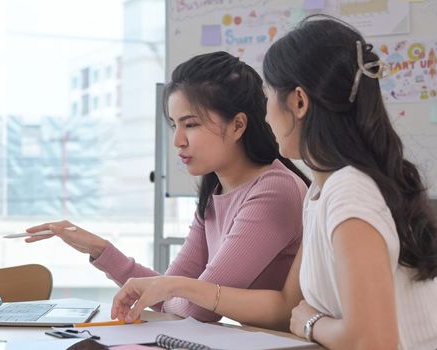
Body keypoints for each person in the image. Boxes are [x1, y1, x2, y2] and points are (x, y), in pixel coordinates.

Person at [111, 15, 437, 349]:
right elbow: (287, 305)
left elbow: (370, 341)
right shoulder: (320, 192)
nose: (264, 114)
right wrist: (175, 286)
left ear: (298, 102)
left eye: (269, 96)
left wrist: (312, 324)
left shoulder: (349, 192)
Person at [25, 51, 310, 322]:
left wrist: (174, 291)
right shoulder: (215, 193)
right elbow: (169, 293)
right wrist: (101, 249)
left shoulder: (274, 191)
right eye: (175, 125)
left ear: (237, 126)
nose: (178, 141)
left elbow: (195, 308)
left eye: (191, 125)